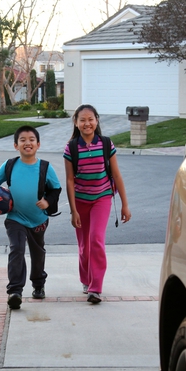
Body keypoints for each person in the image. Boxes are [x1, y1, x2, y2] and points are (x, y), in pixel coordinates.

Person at [0, 125, 61, 310]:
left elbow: (56, 189)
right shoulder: (9, 165)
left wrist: (48, 202)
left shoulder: (45, 167)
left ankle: (38, 284)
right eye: (22, 140)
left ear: (38, 144)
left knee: (37, 253)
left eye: (31, 139)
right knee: (16, 249)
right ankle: (15, 291)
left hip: (38, 220)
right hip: (15, 218)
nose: (27, 143)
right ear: (16, 145)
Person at [64, 105, 131, 304]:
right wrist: (73, 210)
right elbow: (69, 181)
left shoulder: (106, 144)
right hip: (80, 200)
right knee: (84, 245)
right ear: (76, 122)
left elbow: (116, 174)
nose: (87, 123)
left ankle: (95, 287)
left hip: (102, 197)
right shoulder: (72, 147)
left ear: (97, 120)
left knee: (96, 240)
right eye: (82, 120)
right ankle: (86, 279)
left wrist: (125, 205)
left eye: (91, 119)